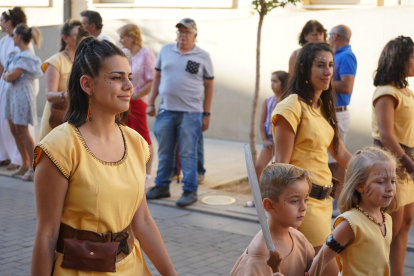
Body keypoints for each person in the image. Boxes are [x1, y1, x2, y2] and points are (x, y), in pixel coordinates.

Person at [31, 37, 177, 275]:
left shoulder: (136, 143)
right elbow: (47, 234)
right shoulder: (59, 147)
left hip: (131, 268)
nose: (129, 85)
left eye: (129, 77)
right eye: (116, 77)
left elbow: (142, 222)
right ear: (87, 84)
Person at [272, 42, 352, 276]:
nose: (328, 72)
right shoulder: (291, 106)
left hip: (325, 203)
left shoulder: (324, 107)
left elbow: (340, 152)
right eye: (321, 65)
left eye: (330, 65)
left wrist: (371, 173)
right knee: (326, 271)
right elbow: (282, 168)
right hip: (303, 206)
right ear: (305, 69)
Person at [145, 18, 214, 207]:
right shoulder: (166, 50)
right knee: (165, 152)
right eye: (180, 32)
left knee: (187, 153)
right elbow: (157, 77)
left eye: (187, 32)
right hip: (166, 110)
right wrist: (150, 103)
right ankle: (162, 186)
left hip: (191, 113)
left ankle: (190, 191)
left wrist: (206, 114)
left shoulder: (203, 55)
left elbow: (209, 85)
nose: (183, 36)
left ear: (195, 35)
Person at [308, 147, 399, 276]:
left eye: (393, 181)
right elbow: (323, 257)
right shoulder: (350, 223)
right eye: (381, 182)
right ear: (359, 185)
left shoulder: (386, 219)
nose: (390, 188)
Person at [372, 36, 414, 276]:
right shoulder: (386, 92)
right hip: (393, 167)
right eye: (413, 57)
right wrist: (410, 167)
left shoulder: (405, 90)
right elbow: (386, 135)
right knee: (391, 228)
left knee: (405, 224)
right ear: (400, 59)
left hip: (406, 166)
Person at [231, 163, 315, 276]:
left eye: (305, 200)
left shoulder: (299, 238)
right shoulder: (260, 253)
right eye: (294, 201)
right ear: (270, 205)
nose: (303, 208)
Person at [118, 23, 156, 188]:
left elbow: (153, 80)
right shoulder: (125, 54)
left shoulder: (146, 53)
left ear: (132, 37)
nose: (120, 40)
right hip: (124, 100)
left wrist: (138, 95)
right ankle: (130, 169)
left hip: (138, 100)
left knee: (143, 136)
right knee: (125, 135)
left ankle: (148, 174)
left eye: (123, 37)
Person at [3, 24, 42, 181]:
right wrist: (8, 74)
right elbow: (9, 74)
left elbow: (10, 76)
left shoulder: (27, 57)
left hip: (22, 97)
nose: (11, 38)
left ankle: (35, 166)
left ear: (19, 37)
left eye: (13, 35)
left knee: (22, 130)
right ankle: (25, 163)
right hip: (13, 96)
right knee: (14, 129)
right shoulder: (17, 55)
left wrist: (7, 75)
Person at [327, 25, 357, 217]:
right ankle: (335, 202)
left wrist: (323, 80)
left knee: (337, 161)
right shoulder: (337, 55)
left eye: (329, 35)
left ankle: (341, 205)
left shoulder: (346, 56)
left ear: (335, 36)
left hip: (338, 113)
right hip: (332, 112)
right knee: (331, 161)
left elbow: (346, 87)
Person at [38, 20, 82, 141]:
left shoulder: (83, 61)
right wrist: (66, 94)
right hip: (56, 117)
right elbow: (49, 95)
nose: (82, 38)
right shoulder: (56, 61)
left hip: (76, 118)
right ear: (65, 38)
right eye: (77, 35)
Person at [0, 7, 28, 170]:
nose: (0, 24)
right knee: (3, 121)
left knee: (17, 123)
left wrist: (9, 77)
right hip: (4, 83)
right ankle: (4, 155)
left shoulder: (20, 40)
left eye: (2, 21)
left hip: (17, 84)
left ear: (9, 22)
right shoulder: (2, 42)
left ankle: (20, 158)